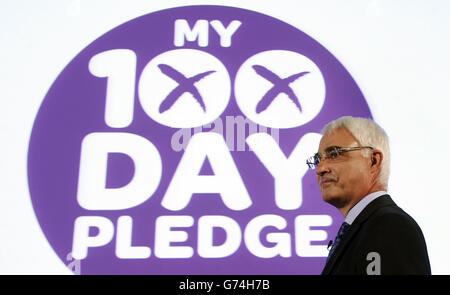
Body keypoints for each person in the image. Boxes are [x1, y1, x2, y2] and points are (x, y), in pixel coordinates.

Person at [306, 116, 431, 275]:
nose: (320, 169)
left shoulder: (389, 226)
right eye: (318, 159)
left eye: (335, 154)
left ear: (373, 160)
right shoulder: (363, 228)